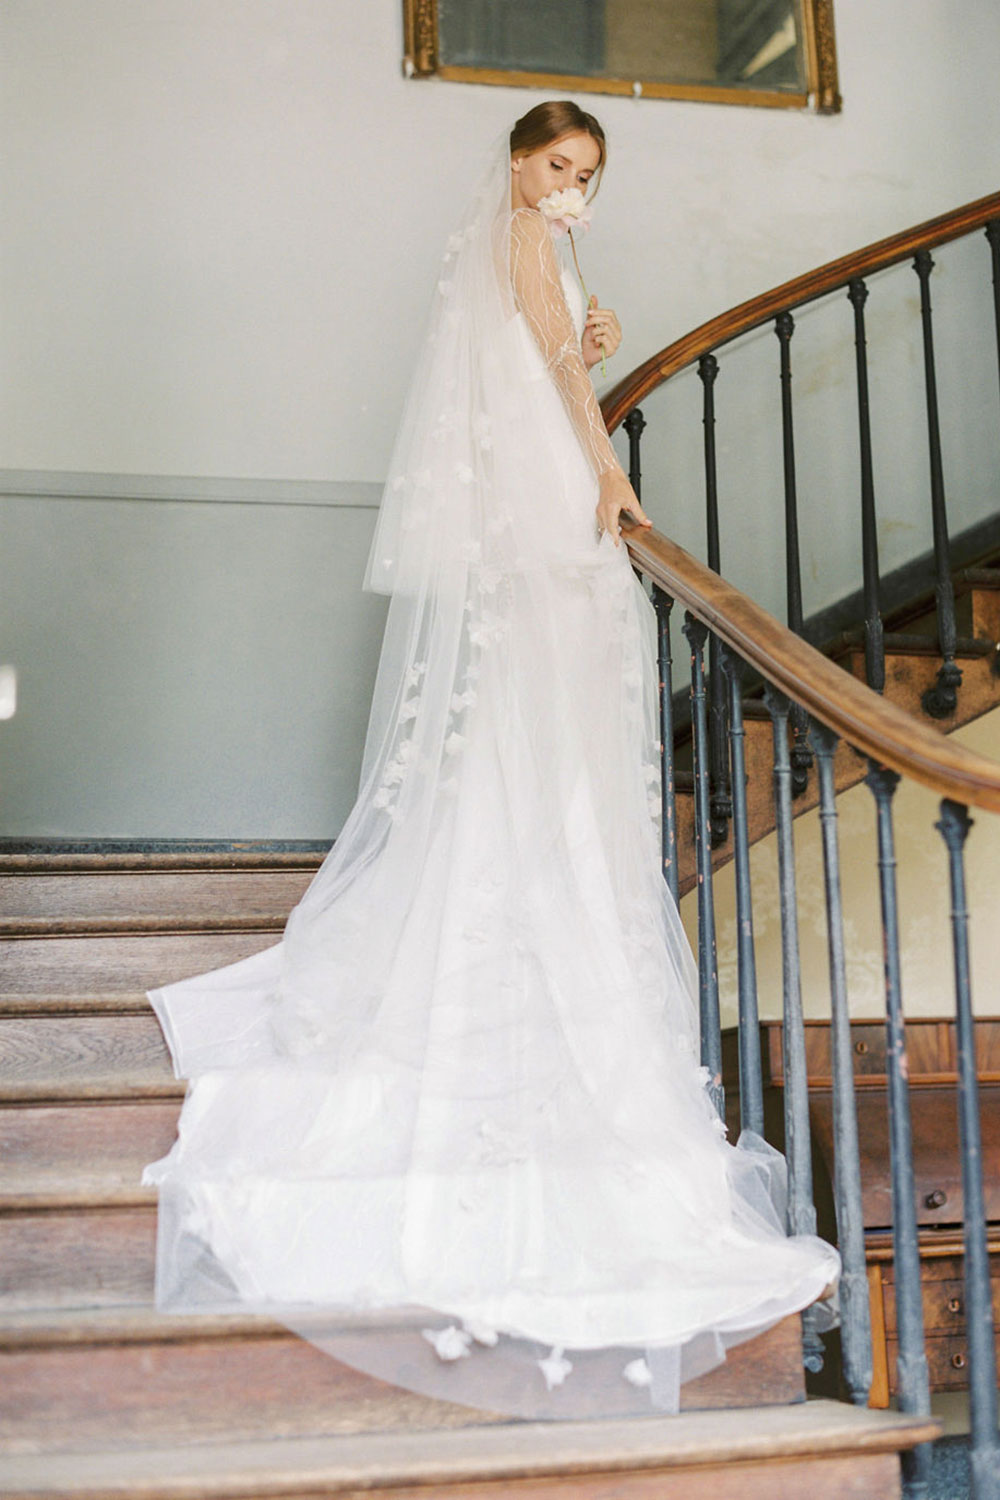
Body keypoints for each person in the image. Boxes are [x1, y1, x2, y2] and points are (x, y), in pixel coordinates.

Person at [142, 100, 839, 1421]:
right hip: (550, 494)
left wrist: (595, 324)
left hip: (536, 490)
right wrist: (613, 478)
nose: (571, 188)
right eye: (558, 165)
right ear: (518, 162)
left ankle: (542, 866)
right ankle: (537, 880)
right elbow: (562, 383)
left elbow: (561, 346)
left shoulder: (530, 246)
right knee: (560, 681)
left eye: (587, 174)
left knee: (550, 707)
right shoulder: (521, 233)